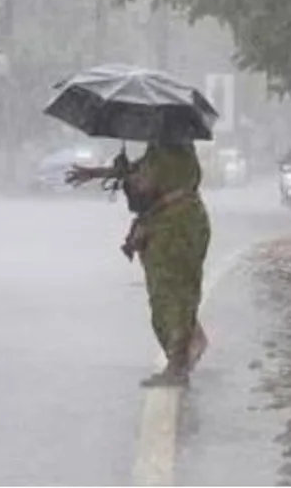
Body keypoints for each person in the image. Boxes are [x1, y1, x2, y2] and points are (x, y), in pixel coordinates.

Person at [67, 131, 212, 386]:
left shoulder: (170, 150)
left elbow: (145, 185)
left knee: (168, 295)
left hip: (174, 229)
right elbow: (142, 175)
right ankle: (186, 346)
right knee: (180, 291)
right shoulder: (170, 147)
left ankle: (178, 362)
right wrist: (103, 173)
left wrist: (125, 175)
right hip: (182, 224)